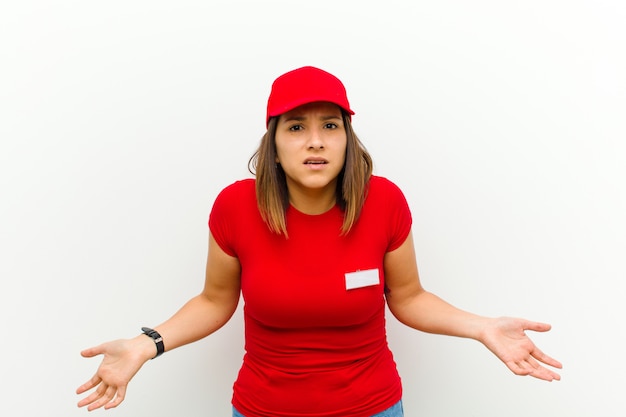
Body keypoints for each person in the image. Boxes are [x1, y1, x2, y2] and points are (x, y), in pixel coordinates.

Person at [76, 66, 562, 417]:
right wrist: (146, 344)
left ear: (348, 137)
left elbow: (409, 297)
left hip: (371, 409)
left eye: (330, 125)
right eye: (297, 127)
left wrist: (481, 328)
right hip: (263, 410)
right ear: (274, 143)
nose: (315, 141)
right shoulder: (235, 207)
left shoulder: (384, 201)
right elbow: (214, 301)